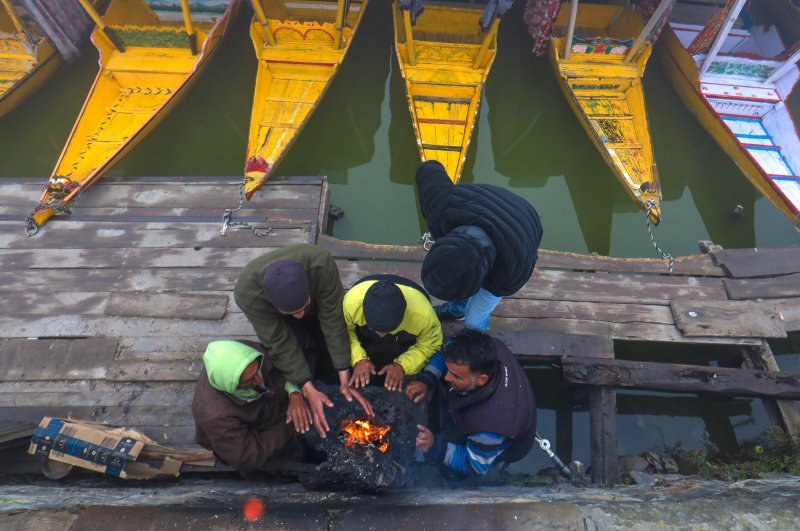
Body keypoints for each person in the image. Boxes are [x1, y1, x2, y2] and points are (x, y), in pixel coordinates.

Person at [234, 244, 372, 438]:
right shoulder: (248, 295)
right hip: (277, 315)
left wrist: (344, 376)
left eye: (302, 308)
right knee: (297, 338)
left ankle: (329, 365)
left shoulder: (321, 266)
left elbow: (333, 319)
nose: (298, 316)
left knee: (323, 330)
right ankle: (308, 373)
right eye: (292, 313)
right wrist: (307, 388)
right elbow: (279, 341)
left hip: (317, 298)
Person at [415, 160, 543, 331]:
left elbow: (527, 260)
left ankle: (471, 335)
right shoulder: (441, 211)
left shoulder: (510, 274)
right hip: (484, 202)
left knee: (475, 319)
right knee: (457, 279)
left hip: (525, 220)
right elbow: (429, 171)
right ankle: (456, 311)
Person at [405, 329, 536, 478]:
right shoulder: (488, 347)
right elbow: (446, 354)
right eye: (447, 370)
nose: (446, 377)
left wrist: (435, 445)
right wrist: (426, 380)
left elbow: (472, 465)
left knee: (454, 474)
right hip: (502, 405)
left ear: (482, 380)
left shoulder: (492, 427)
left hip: (496, 444)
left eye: (455, 376)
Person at [192, 340, 311, 478]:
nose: (259, 380)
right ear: (233, 386)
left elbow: (285, 363)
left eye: (257, 371)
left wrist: (295, 394)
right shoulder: (214, 415)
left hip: (279, 404)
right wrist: (295, 423)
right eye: (249, 380)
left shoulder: (246, 354)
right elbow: (248, 457)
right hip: (262, 440)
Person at [343, 274, 443, 391]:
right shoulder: (350, 304)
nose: (380, 336)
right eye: (375, 328)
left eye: (387, 330)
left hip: (407, 328)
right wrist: (358, 359)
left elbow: (431, 344)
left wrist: (403, 366)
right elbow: (342, 333)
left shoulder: (424, 315)